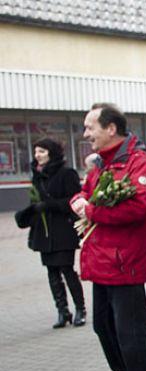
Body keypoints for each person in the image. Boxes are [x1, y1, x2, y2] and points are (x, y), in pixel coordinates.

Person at [71, 102, 146, 371]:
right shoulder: (102, 164)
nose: (86, 134)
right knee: (104, 327)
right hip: (101, 260)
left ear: (111, 128)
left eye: (90, 127)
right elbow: (84, 191)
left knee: (131, 329)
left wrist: (92, 210)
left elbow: (139, 206)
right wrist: (79, 202)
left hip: (125, 261)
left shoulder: (138, 161)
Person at [15, 138, 86, 328]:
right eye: (36, 152)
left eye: (42, 152)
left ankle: (80, 309)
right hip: (44, 232)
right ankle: (62, 311)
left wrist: (49, 205)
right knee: (52, 272)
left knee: (66, 269)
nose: (37, 155)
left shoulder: (66, 174)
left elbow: (75, 200)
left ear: (51, 153)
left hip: (63, 230)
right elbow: (34, 200)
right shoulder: (37, 176)